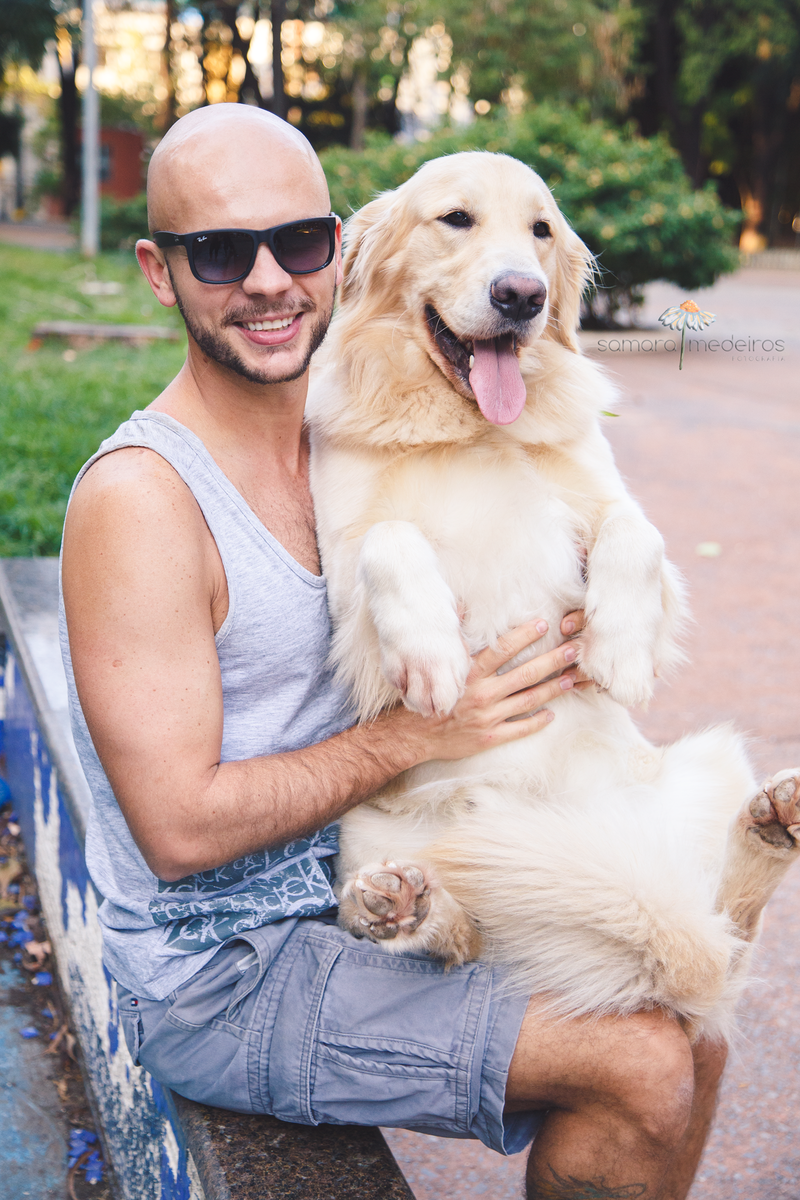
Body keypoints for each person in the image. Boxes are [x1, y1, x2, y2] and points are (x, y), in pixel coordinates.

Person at [60, 104, 725, 1200]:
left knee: (698, 1037)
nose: (270, 281)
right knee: (644, 1061)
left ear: (345, 247)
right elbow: (178, 831)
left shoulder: (351, 424)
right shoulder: (143, 499)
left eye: (300, 243)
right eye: (220, 252)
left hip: (369, 877)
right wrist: (416, 734)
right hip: (227, 970)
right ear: (157, 270)